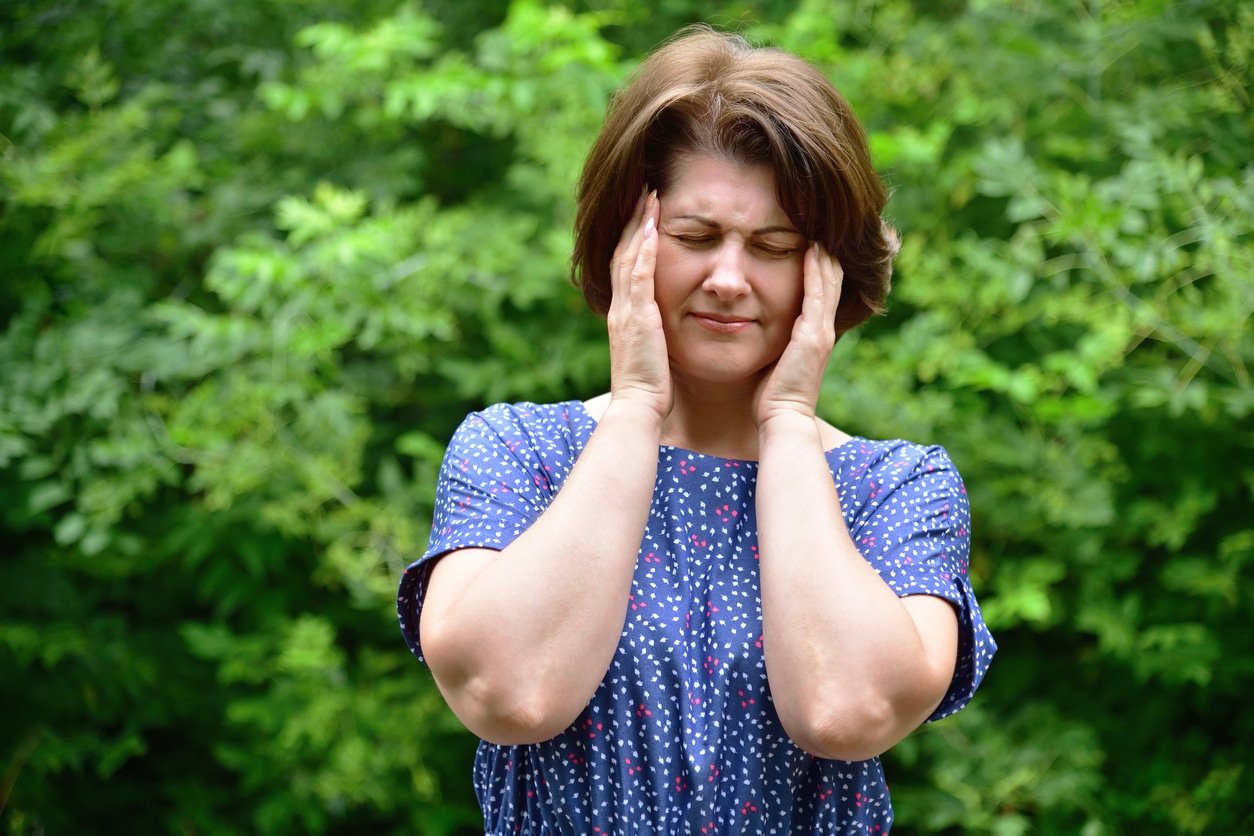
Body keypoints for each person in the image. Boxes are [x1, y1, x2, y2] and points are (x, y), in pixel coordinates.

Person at [398, 25, 995, 834]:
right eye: (694, 237)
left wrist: (787, 424)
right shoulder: (517, 454)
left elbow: (844, 711)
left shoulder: (895, 488)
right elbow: (512, 694)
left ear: (826, 269)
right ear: (623, 241)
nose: (728, 279)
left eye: (773, 246)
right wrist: (639, 402)